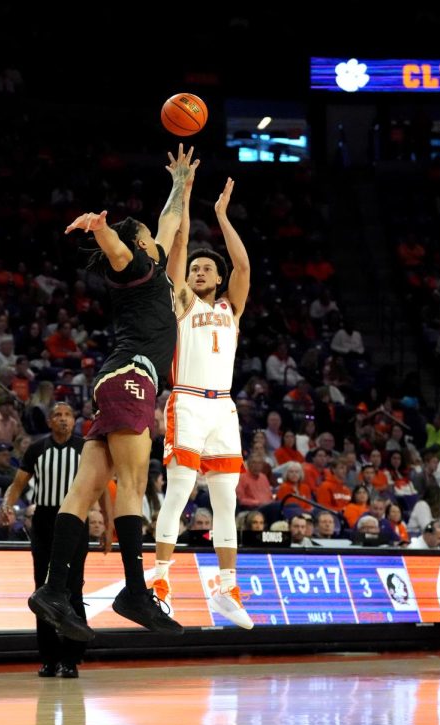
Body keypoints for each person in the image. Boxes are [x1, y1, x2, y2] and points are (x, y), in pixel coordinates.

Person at [28, 145, 197, 640]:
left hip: (116, 379)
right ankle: (133, 590)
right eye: (146, 237)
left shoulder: (158, 270)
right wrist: (103, 231)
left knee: (85, 488)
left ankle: (53, 589)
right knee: (133, 483)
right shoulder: (134, 268)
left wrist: (180, 184)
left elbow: (168, 224)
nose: (153, 238)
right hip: (132, 377)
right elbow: (121, 251)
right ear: (139, 246)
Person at [153, 176, 252, 629]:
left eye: (206, 269)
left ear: (218, 278)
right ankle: (159, 581)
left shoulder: (231, 307)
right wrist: (187, 196)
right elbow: (177, 247)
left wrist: (223, 215)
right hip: (188, 401)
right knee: (178, 490)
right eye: (194, 270)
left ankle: (225, 586)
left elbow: (243, 267)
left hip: (224, 409)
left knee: (226, 500)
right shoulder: (183, 303)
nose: (199, 271)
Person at [0, 402, 91, 678]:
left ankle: (72, 658)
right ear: (49, 421)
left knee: (73, 590)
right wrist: (6, 506)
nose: (63, 419)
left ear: (74, 420)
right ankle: (49, 658)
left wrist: (108, 523)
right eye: (58, 415)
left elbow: (101, 488)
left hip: (76, 521)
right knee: (43, 591)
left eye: (67, 414)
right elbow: (17, 485)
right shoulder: (37, 449)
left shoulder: (85, 448)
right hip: (45, 523)